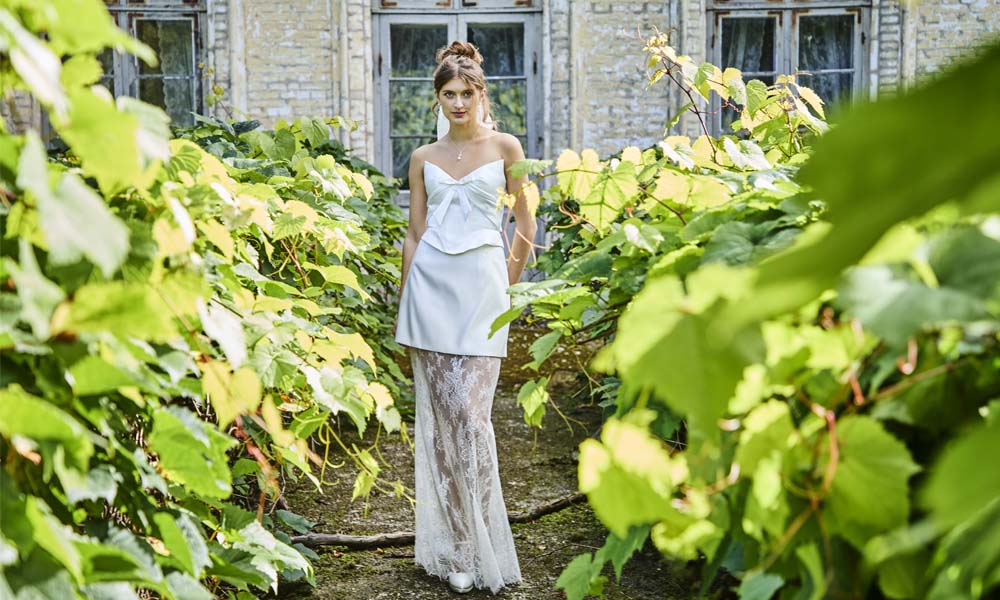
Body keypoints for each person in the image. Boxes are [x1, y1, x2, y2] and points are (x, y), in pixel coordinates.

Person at [394, 40, 537, 595]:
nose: (458, 103)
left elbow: (525, 221)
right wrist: (406, 298)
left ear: (481, 94)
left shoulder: (506, 146)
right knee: (442, 423)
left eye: (466, 94)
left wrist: (509, 282)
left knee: (473, 420)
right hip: (430, 292)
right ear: (438, 98)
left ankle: (484, 539)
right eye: (448, 94)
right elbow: (414, 232)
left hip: (482, 291)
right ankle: (459, 546)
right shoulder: (421, 158)